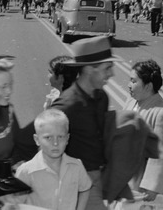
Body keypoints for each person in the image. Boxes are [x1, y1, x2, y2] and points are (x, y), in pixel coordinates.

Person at [50, 36, 120, 210]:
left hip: (100, 176)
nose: (112, 74)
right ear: (90, 69)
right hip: (78, 184)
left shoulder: (101, 96)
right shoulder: (66, 106)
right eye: (107, 68)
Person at [11, 109, 91, 210]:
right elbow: (16, 205)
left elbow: (85, 188)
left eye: (60, 137)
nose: (55, 143)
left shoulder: (77, 166)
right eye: (48, 137)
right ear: (37, 140)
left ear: (67, 138)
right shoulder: (26, 172)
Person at [125, 59, 163, 201]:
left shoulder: (162, 113)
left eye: (133, 81)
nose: (129, 85)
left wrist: (150, 189)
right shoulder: (131, 101)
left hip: (140, 184)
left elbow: (161, 154)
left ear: (148, 86)